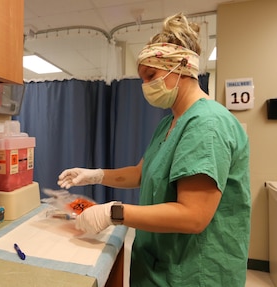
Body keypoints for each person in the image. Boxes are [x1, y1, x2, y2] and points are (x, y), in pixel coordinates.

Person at [58, 12, 251, 287]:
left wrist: (112, 212)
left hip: (194, 273)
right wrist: (95, 175)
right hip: (159, 265)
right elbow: (140, 173)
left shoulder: (207, 124)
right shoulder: (170, 124)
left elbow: (193, 216)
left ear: (182, 67)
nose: (145, 86)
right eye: (143, 79)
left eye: (151, 76)